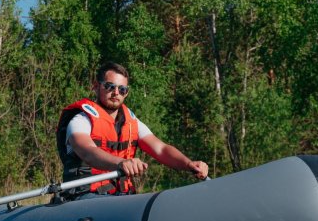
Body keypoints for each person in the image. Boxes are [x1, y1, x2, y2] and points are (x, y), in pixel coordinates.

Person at [56, 62, 209, 198]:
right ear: (96, 87)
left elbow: (161, 149)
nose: (116, 93)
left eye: (122, 89)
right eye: (110, 86)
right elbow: (87, 151)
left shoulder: (132, 123)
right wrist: (121, 162)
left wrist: (188, 164)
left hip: (120, 196)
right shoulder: (80, 120)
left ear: (126, 93)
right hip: (86, 196)